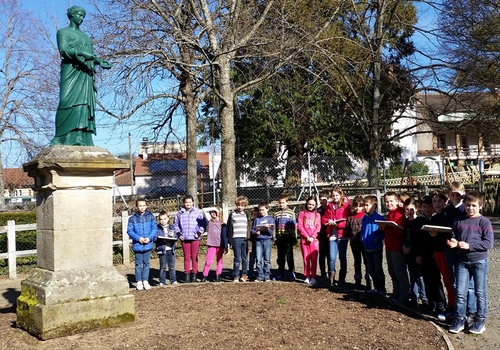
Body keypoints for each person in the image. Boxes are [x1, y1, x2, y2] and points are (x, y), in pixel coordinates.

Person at [51, 6, 112, 146]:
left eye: (83, 16)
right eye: (79, 15)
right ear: (71, 15)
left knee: (83, 104)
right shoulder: (63, 32)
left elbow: (91, 56)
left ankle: (80, 137)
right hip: (70, 70)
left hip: (85, 74)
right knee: (65, 101)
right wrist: (82, 54)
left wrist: (99, 61)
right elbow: (64, 50)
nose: (81, 18)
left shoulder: (86, 37)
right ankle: (60, 137)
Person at [447, 190, 494, 335]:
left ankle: (480, 319)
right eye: (468, 205)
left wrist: (470, 246)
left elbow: (489, 243)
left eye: (473, 205)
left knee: (480, 292)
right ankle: (460, 318)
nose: (470, 208)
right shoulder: (459, 221)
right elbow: (454, 235)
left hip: (479, 261)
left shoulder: (484, 222)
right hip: (462, 262)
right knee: (460, 292)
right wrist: (453, 242)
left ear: (480, 205)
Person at [409, 196, 446, 312]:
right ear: (420, 208)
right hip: (422, 255)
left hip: (435, 254)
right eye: (424, 207)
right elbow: (413, 240)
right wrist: (416, 255)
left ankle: (441, 303)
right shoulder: (417, 222)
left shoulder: (437, 219)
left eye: (429, 206)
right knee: (426, 279)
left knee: (436, 280)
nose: (427, 209)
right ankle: (431, 303)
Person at [378, 191, 409, 305]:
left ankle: (404, 296)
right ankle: (396, 293)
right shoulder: (389, 214)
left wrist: (386, 228)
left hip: (397, 247)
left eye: (391, 201)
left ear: (397, 201)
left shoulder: (399, 213)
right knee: (392, 272)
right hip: (389, 247)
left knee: (399, 272)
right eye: (386, 201)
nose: (389, 203)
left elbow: (399, 232)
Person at [429, 190, 456, 317]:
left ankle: (453, 306)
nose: (437, 204)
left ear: (445, 201)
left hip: (448, 251)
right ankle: (445, 304)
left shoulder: (449, 215)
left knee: (450, 281)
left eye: (439, 201)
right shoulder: (434, 218)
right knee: (444, 280)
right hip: (437, 251)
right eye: (434, 201)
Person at [174, 195, 207, 283]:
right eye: (186, 202)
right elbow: (176, 225)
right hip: (184, 238)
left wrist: (199, 233)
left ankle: (194, 275)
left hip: (195, 238)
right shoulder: (179, 213)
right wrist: (178, 234)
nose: (188, 204)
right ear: (184, 203)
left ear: (193, 202)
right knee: (186, 257)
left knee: (194, 257)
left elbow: (203, 224)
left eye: (190, 202)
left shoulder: (198, 212)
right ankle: (187, 275)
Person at [321, 186, 350, 286]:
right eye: (333, 195)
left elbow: (346, 221)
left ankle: (342, 279)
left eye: (337, 195)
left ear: (341, 195)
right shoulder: (329, 206)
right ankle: (331, 277)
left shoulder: (345, 206)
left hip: (342, 235)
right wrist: (328, 221)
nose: (335, 197)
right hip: (332, 234)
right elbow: (324, 218)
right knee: (332, 257)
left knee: (342, 257)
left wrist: (337, 224)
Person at [127, 199, 157, 290]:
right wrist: (138, 238)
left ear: (146, 206)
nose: (142, 207)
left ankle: (145, 280)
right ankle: (139, 281)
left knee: (146, 263)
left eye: (143, 205)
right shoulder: (132, 219)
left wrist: (149, 238)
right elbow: (130, 231)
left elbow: (154, 228)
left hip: (147, 244)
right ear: (136, 207)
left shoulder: (151, 217)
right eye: (140, 206)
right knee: (138, 264)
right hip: (138, 245)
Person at [403, 197, 427, 306]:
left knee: (420, 276)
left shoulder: (419, 222)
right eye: (407, 209)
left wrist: (411, 248)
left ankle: (424, 298)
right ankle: (414, 297)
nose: (409, 212)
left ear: (416, 209)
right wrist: (404, 246)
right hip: (408, 253)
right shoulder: (406, 222)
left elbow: (418, 239)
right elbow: (404, 236)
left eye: (411, 209)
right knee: (412, 274)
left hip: (417, 252)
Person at [360, 195, 386, 296]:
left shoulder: (379, 218)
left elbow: (383, 232)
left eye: (367, 205)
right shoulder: (364, 218)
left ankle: (382, 289)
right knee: (371, 270)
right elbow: (362, 231)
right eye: (364, 205)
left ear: (374, 206)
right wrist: (362, 239)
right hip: (367, 247)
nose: (365, 207)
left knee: (378, 269)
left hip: (376, 248)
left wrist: (377, 239)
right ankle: (376, 288)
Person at [346, 195, 370, 289]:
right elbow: (348, 230)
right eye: (356, 206)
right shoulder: (350, 218)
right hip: (354, 243)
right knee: (357, 261)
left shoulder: (365, 217)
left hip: (364, 243)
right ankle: (358, 280)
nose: (357, 208)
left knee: (366, 261)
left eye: (360, 206)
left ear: (363, 206)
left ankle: (368, 281)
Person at [297, 196, 321, 285]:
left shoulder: (317, 215)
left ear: (315, 205)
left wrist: (313, 237)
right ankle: (307, 276)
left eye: (312, 205)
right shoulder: (302, 213)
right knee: (306, 259)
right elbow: (300, 226)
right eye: (309, 204)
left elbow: (318, 227)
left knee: (314, 259)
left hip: (314, 241)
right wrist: (307, 236)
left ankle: (314, 276)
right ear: (306, 203)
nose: (310, 206)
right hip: (305, 240)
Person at [273, 194, 297, 281]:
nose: (281, 205)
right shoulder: (276, 214)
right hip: (280, 238)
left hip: (288, 237)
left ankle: (291, 271)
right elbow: (274, 226)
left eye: (283, 203)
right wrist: (274, 237)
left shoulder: (291, 213)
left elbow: (294, 226)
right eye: (280, 203)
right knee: (280, 256)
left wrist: (294, 237)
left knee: (289, 255)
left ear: (287, 203)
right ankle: (281, 272)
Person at [226, 196, 250, 282]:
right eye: (239, 205)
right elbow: (229, 227)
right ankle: (236, 275)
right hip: (236, 239)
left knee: (244, 257)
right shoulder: (232, 215)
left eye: (242, 205)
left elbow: (248, 228)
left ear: (245, 206)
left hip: (245, 239)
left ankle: (244, 275)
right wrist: (229, 240)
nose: (240, 207)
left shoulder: (246, 215)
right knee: (237, 258)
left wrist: (249, 239)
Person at [201, 207, 228, 282]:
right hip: (211, 244)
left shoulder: (222, 223)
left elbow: (224, 236)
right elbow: (203, 210)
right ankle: (204, 275)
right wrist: (214, 208)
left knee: (219, 260)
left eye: (215, 212)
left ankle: (218, 275)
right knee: (208, 261)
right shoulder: (210, 220)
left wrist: (225, 246)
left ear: (219, 213)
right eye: (212, 212)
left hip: (219, 245)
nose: (213, 213)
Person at [251, 201, 275, 282]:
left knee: (267, 259)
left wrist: (268, 229)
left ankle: (267, 275)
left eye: (263, 210)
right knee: (258, 259)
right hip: (258, 241)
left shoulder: (270, 219)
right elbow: (253, 230)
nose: (261, 212)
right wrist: (256, 233)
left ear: (267, 209)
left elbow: (271, 233)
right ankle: (260, 276)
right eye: (260, 210)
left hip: (267, 240)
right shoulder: (257, 219)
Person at [155, 211, 179, 286]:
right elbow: (155, 238)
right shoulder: (157, 228)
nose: (163, 221)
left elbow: (176, 236)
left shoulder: (172, 227)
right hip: (162, 250)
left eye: (164, 219)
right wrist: (160, 239)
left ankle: (173, 280)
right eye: (161, 219)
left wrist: (173, 237)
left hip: (171, 249)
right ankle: (162, 281)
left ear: (168, 219)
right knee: (163, 267)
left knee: (172, 267)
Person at [317, 191, 331, 284]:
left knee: (330, 255)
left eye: (324, 199)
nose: (322, 201)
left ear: (328, 199)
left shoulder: (330, 209)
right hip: (321, 236)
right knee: (322, 255)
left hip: (330, 235)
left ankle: (331, 274)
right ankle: (323, 274)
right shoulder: (318, 211)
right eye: (320, 200)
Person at [247, 207, 260, 281]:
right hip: (252, 243)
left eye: (257, 214)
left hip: (259, 244)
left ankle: (259, 273)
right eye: (254, 214)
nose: (256, 216)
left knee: (259, 259)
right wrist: (249, 245)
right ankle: (250, 273)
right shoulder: (250, 223)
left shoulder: (260, 222)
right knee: (251, 260)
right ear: (252, 215)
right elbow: (248, 234)